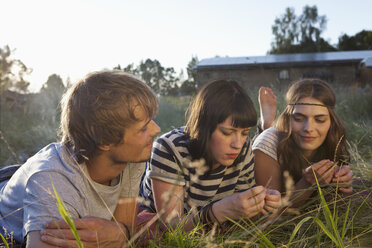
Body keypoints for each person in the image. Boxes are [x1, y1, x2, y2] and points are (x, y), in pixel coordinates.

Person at [0, 70, 161, 247]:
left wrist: (122, 233)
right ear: (104, 140)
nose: (156, 130)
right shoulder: (52, 181)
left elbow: (122, 231)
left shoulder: (132, 159)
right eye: (143, 128)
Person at [138, 80, 281, 236]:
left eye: (245, 133)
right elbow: (172, 227)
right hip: (153, 213)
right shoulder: (168, 148)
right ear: (203, 127)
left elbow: (242, 219)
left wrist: (261, 204)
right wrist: (217, 211)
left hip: (205, 222)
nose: (237, 144)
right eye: (227, 133)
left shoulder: (243, 147)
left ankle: (264, 127)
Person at [252, 78, 353, 207]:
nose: (308, 128)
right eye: (299, 119)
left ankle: (266, 124)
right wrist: (307, 184)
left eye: (320, 120)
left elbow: (341, 208)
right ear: (288, 118)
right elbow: (270, 217)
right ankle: (265, 126)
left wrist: (345, 188)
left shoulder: (335, 137)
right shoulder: (267, 145)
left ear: (331, 122)